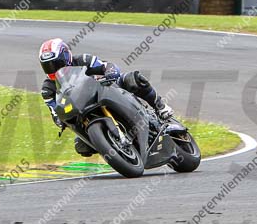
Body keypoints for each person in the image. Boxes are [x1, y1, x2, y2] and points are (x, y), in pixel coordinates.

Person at [38, 38, 174, 157]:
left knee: (133, 79)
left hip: (105, 90)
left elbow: (107, 66)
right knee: (81, 146)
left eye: (56, 64)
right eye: (48, 66)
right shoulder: (47, 89)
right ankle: (113, 147)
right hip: (83, 111)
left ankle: (160, 106)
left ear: (66, 56)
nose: (53, 69)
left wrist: (110, 73)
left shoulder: (83, 60)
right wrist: (60, 119)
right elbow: (55, 112)